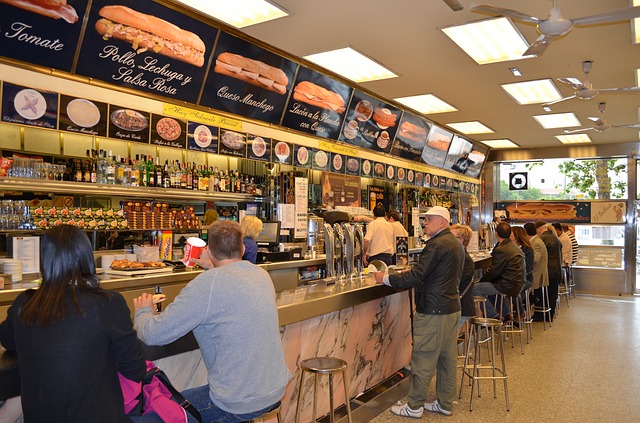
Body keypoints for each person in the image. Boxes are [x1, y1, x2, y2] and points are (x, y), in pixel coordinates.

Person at [133, 220, 291, 422]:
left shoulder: (206, 285)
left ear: (209, 250)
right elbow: (226, 291)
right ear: (242, 248)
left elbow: (153, 334)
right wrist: (213, 267)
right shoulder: (261, 274)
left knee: (152, 415)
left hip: (237, 401)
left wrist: (143, 312)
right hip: (274, 388)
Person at [0, 225, 151, 423]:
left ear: (45, 260)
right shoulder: (106, 303)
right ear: (86, 257)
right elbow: (135, 369)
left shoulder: (24, 303)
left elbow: (8, 340)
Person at [373, 206, 462, 418]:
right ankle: (445, 403)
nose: (425, 223)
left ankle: (414, 406)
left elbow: (417, 276)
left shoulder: (437, 244)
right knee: (447, 359)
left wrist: (385, 279)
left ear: (442, 222)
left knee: (423, 358)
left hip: (433, 310)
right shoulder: (454, 243)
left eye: (429, 219)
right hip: (451, 308)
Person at [473, 222, 525, 321]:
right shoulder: (514, 247)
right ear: (510, 234)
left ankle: (493, 316)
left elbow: (493, 271)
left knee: (473, 288)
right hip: (517, 283)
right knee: (489, 286)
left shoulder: (502, 249)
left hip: (506, 285)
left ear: (496, 234)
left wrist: (482, 281)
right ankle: (506, 315)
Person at [450, 224, 476, 331]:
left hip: (460, 307)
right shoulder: (457, 256)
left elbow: (454, 283)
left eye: (452, 237)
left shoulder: (464, 260)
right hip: (456, 307)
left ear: (463, 240)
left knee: (447, 342)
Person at [536, 220, 563, 321]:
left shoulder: (542, 239)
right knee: (552, 294)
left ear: (538, 229)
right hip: (556, 270)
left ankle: (541, 315)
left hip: (548, 270)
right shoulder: (555, 237)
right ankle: (550, 315)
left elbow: (539, 257)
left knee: (543, 294)